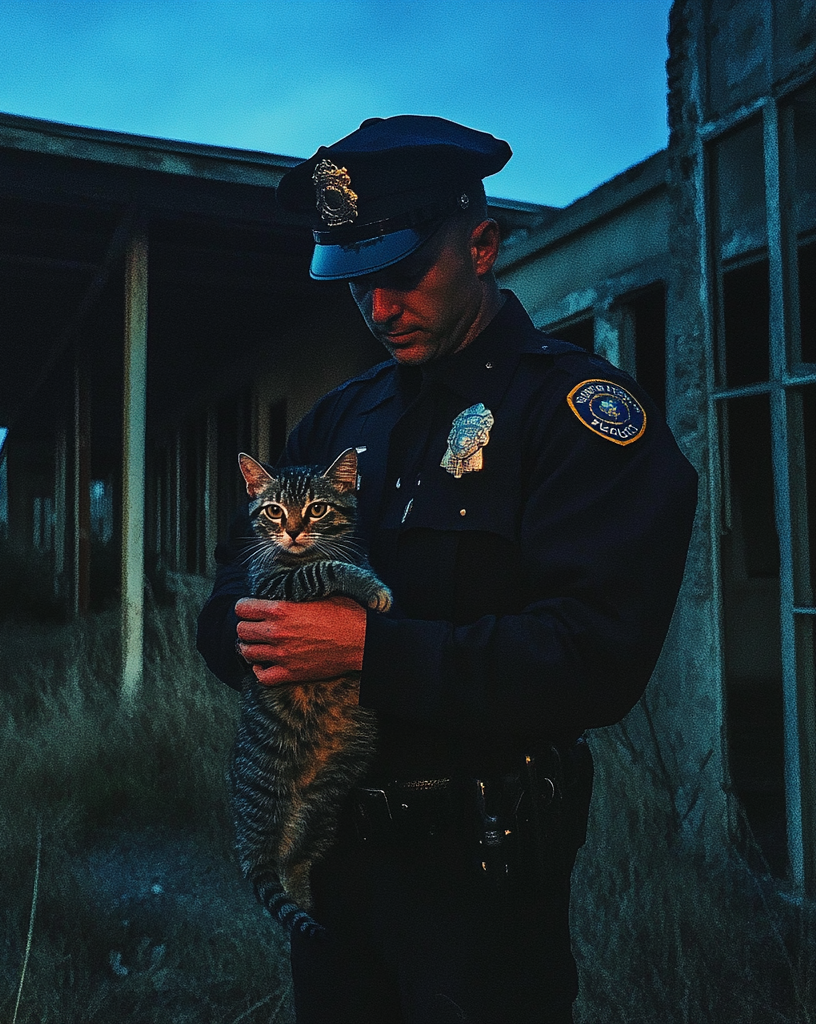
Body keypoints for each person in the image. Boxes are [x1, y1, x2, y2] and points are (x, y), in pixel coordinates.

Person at [197, 115, 698, 1024]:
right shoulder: (335, 423)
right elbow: (223, 607)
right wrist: (272, 629)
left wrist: (366, 650)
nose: (378, 310)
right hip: (330, 867)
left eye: (400, 274)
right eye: (355, 285)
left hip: (484, 888)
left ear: (482, 244)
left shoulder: (576, 414)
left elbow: (595, 658)